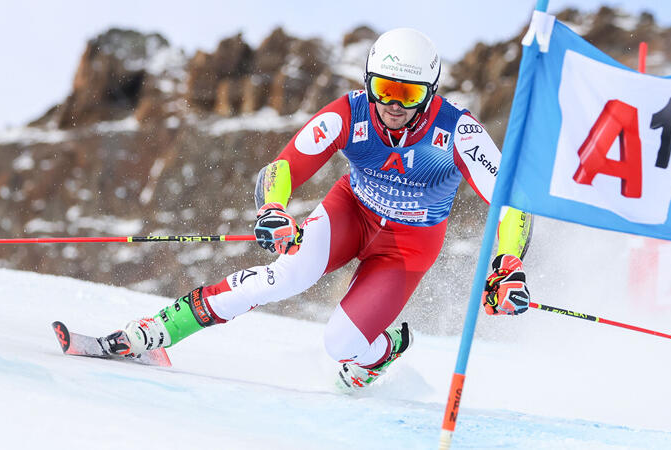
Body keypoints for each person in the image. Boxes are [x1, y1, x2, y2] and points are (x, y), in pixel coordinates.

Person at [102, 28, 533, 391]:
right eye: (384, 89)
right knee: (283, 276)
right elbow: (284, 166)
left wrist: (507, 261)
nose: (394, 105)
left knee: (340, 345)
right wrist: (273, 208)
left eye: (408, 93)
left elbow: (511, 199)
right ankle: (158, 332)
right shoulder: (349, 113)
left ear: (430, 93)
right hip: (352, 212)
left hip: (409, 244)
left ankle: (382, 352)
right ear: (369, 82)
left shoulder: (457, 131)